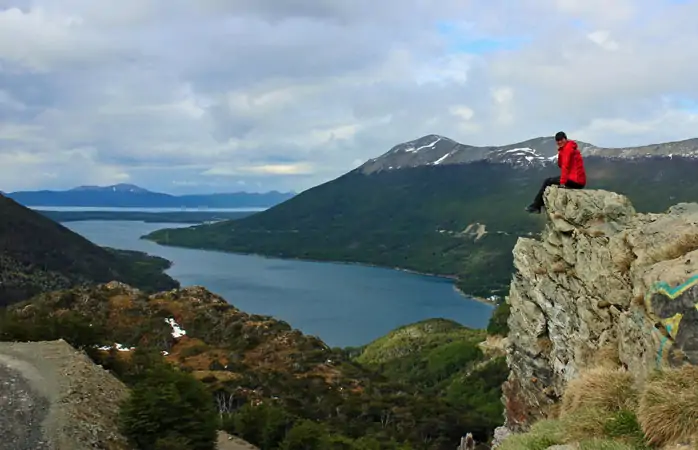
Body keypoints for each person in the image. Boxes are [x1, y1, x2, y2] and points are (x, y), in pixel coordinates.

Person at [525, 131, 586, 214]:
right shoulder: (567, 148)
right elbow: (560, 164)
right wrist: (561, 152)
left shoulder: (568, 149)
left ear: (565, 139)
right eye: (557, 140)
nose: (559, 142)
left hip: (575, 181)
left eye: (561, 140)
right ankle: (537, 205)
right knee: (548, 181)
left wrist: (562, 183)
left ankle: (536, 206)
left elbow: (565, 167)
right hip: (577, 180)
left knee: (548, 181)